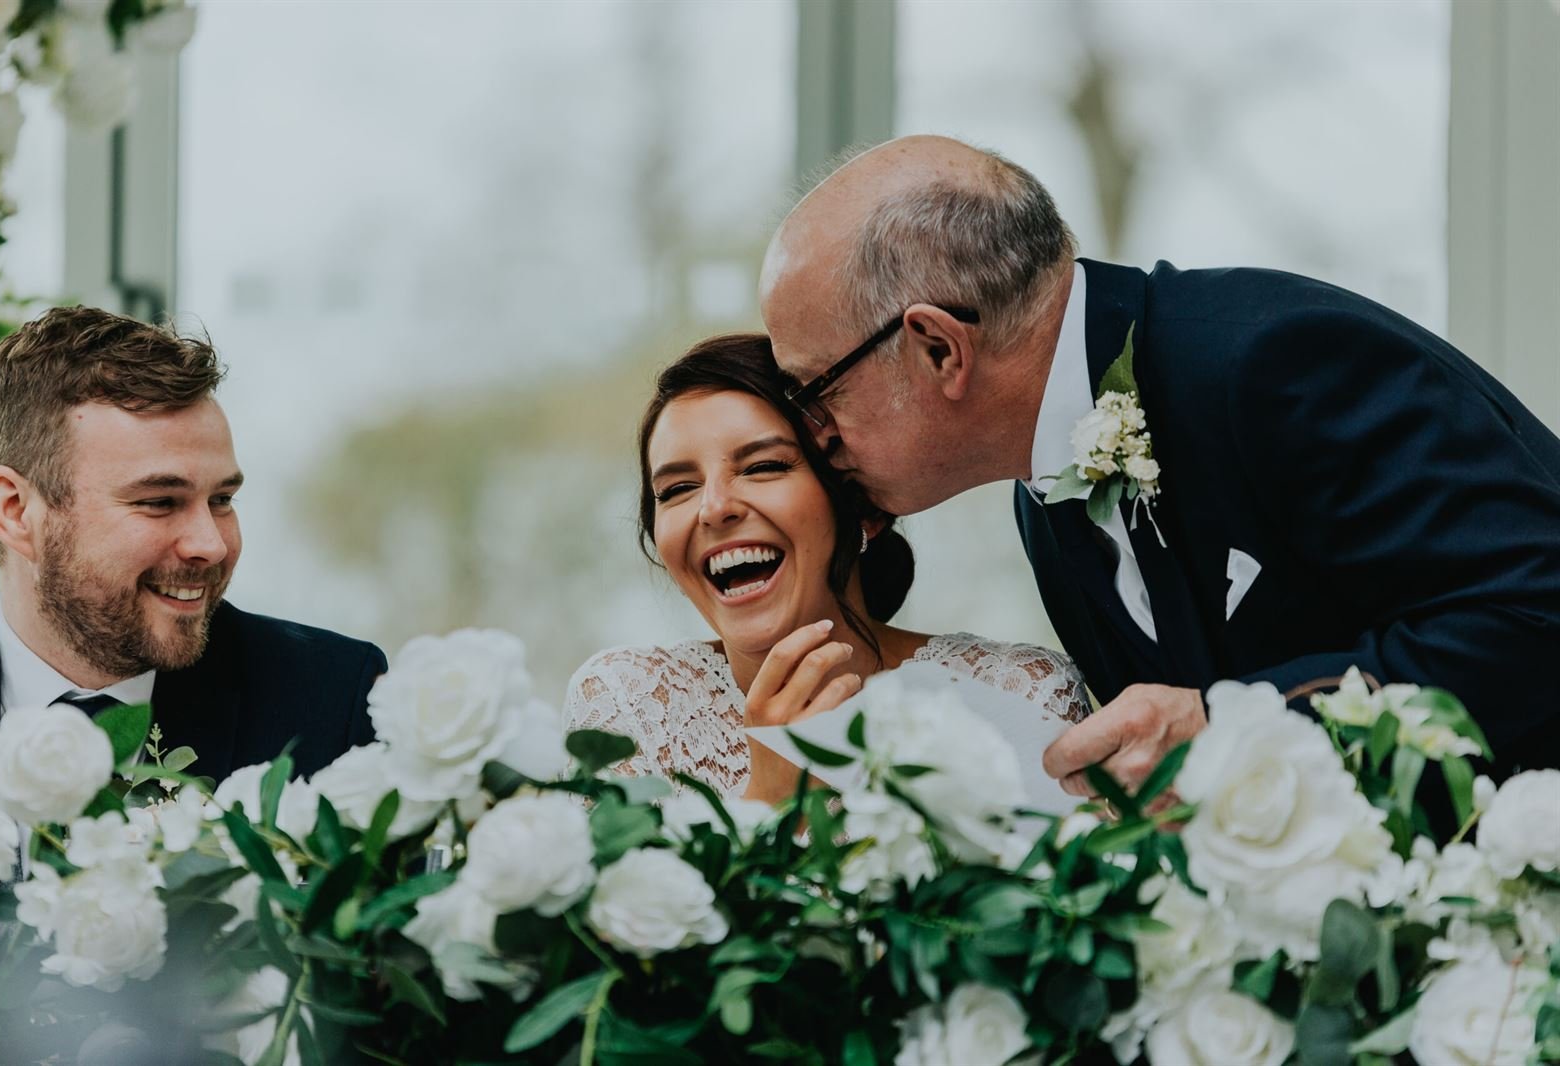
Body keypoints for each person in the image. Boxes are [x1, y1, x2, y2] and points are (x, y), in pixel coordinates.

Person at [758, 135, 1560, 802]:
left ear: (939, 348)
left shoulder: (1268, 363)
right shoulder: (1042, 505)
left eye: (814, 393)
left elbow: (1537, 614)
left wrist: (1228, 730)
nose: (812, 435)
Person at [562, 333, 1089, 803]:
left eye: (764, 466)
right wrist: (770, 801)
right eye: (677, 489)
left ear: (862, 507)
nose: (714, 507)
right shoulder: (627, 707)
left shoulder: (1018, 691)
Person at [0, 305, 386, 782]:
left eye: (222, 498)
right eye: (160, 501)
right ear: (15, 510)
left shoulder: (333, 705)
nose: (212, 545)